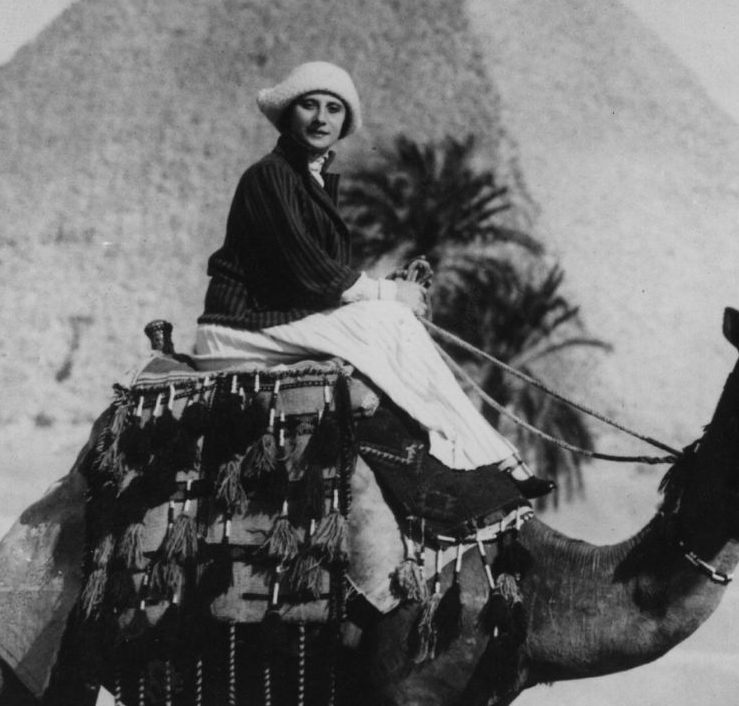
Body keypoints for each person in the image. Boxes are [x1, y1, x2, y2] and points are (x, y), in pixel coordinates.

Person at [193, 61, 552, 497]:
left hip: (274, 318)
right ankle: (484, 456)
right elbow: (310, 269)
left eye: (334, 109)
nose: (322, 118)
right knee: (391, 319)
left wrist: (388, 290)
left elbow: (320, 280)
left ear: (345, 122)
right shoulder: (270, 176)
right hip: (239, 327)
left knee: (388, 317)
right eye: (309, 105)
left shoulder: (310, 182)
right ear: (288, 114)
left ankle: (485, 453)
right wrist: (389, 294)